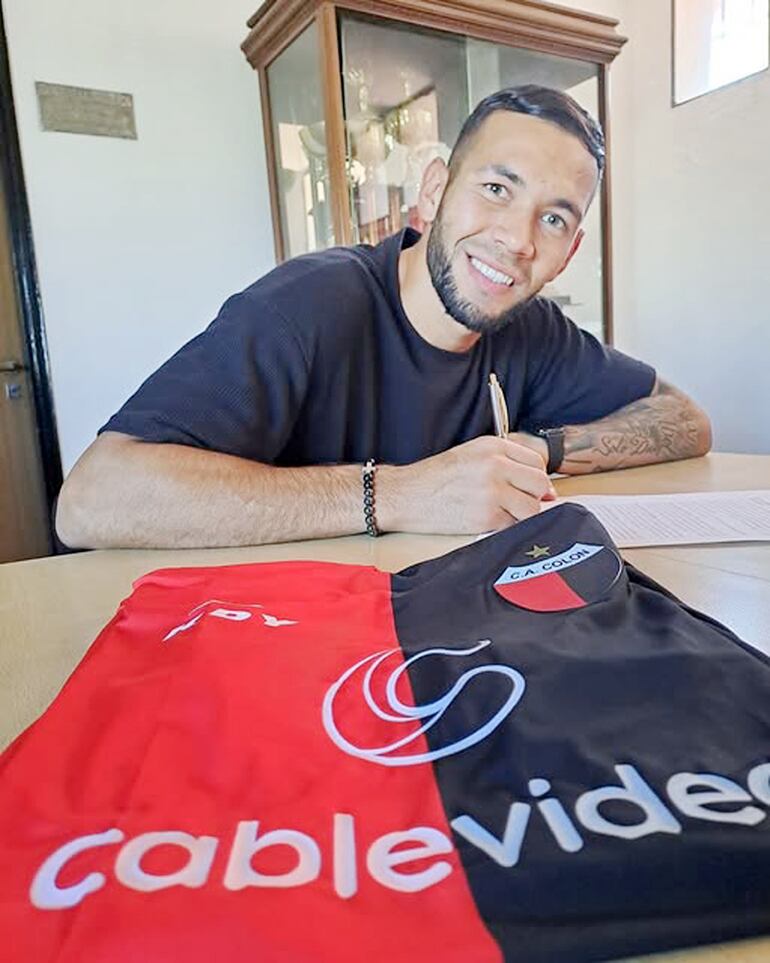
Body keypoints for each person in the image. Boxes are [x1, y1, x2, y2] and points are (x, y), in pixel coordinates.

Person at [55, 85, 711, 549]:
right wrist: (399, 494)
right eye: (495, 189)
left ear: (569, 252)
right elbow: (91, 499)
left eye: (554, 219)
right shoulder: (308, 304)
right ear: (434, 190)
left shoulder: (533, 329)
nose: (517, 239)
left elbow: (685, 419)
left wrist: (541, 449)